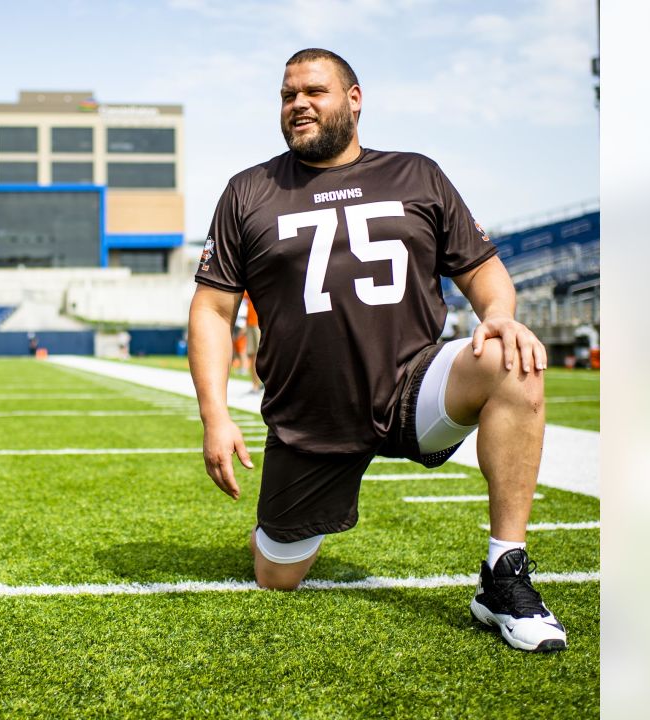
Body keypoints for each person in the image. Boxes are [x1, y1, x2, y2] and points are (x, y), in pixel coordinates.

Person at [188, 48, 566, 652]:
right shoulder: (249, 190)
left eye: (315, 91)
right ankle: (280, 529)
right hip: (309, 412)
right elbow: (212, 309)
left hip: (412, 384)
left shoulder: (417, 174)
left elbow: (485, 269)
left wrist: (499, 318)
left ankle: (504, 573)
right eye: (288, 96)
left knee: (511, 360)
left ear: (354, 99)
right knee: (275, 578)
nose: (299, 105)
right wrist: (215, 414)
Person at [242, 292, 261, 393]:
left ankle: (258, 384)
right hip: (251, 322)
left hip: (259, 322)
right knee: (253, 355)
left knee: (259, 354)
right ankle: (256, 384)